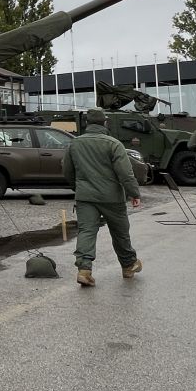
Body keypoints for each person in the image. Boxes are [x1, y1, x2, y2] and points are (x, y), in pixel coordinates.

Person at [61, 108, 142, 286]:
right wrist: (134, 193)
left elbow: (67, 170)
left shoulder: (75, 144)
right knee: (120, 232)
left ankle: (84, 270)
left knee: (87, 231)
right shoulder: (114, 144)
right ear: (105, 122)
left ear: (87, 123)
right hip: (112, 197)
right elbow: (125, 173)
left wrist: (79, 187)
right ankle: (128, 265)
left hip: (85, 196)